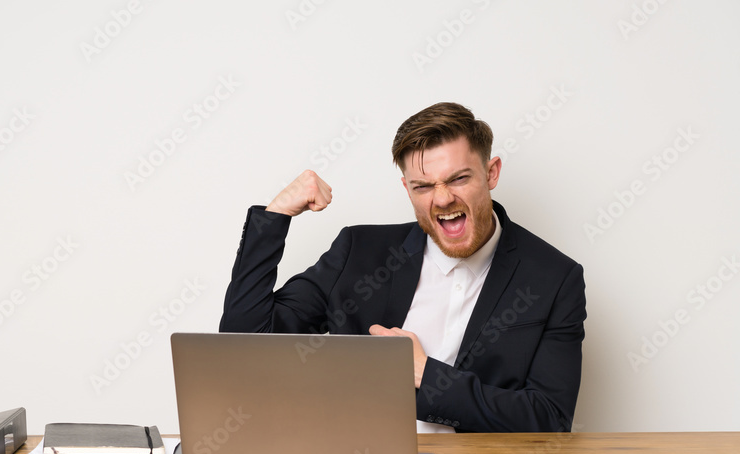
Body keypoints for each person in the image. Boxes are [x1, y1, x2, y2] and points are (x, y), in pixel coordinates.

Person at [219, 102, 586, 433]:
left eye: (459, 178)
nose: (442, 199)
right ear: (406, 189)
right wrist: (276, 215)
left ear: (491, 173)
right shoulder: (358, 253)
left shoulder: (554, 278)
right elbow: (244, 344)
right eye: (423, 186)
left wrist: (427, 376)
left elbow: (549, 420)